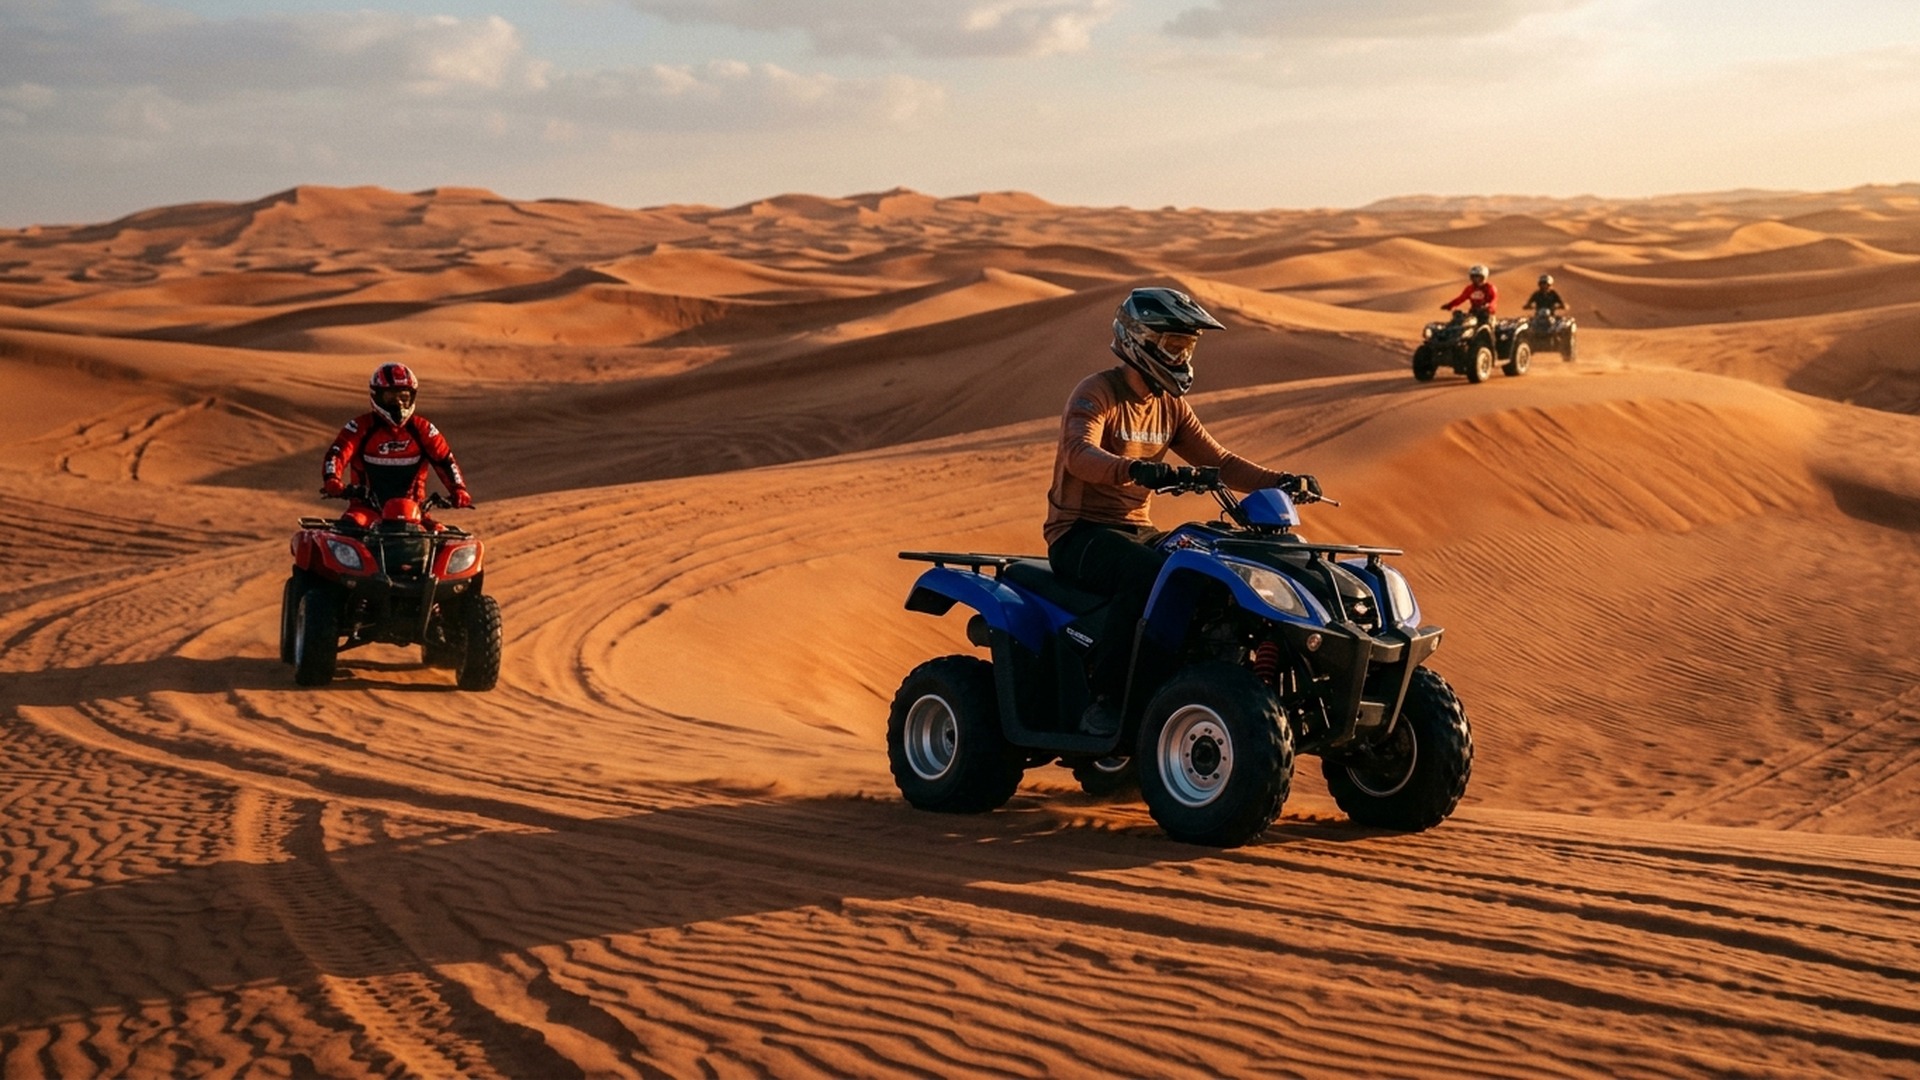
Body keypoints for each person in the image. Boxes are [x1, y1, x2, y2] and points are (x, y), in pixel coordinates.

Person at [1044, 287, 1317, 735]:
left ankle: (1184, 681)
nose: (1182, 356)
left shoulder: (1170, 406)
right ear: (1140, 341)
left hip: (1138, 529)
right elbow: (1078, 453)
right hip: (1080, 533)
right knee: (1146, 574)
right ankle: (1109, 698)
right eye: (1173, 345)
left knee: (1203, 570)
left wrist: (1281, 480)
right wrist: (1135, 469)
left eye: (1187, 347)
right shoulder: (1097, 393)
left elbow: (1221, 462)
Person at [321, 362, 471, 528]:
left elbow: (446, 460)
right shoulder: (360, 427)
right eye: (391, 398)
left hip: (414, 514)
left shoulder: (423, 429)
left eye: (403, 398)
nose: (398, 404)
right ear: (376, 396)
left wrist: (458, 489)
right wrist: (332, 479)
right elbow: (337, 454)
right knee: (347, 530)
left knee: (444, 539)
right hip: (365, 511)